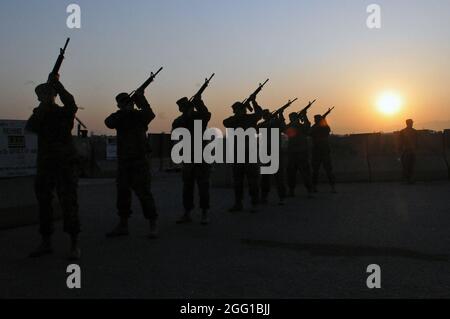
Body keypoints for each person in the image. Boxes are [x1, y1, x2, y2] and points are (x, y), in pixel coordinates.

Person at [26, 73, 81, 260]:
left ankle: (74, 243)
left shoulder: (62, 112)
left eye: (47, 95)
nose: (44, 98)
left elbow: (71, 104)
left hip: (65, 164)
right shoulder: (39, 114)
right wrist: (43, 106)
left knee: (69, 203)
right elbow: (31, 127)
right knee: (44, 203)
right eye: (42, 96)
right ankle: (46, 240)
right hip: (46, 165)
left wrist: (58, 85)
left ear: (53, 95)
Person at [104, 88, 158, 239]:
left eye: (129, 102)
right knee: (122, 194)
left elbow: (150, 113)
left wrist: (141, 98)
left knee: (144, 194)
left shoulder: (139, 116)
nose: (128, 105)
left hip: (140, 160)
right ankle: (123, 224)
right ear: (120, 105)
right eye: (124, 103)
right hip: (124, 162)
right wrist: (124, 112)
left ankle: (153, 225)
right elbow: (108, 122)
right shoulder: (119, 116)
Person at [172, 92, 212, 225]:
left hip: (201, 157)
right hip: (188, 157)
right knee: (187, 187)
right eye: (182, 108)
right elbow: (175, 130)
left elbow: (207, 114)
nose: (183, 110)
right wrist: (186, 117)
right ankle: (187, 213)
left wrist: (198, 102)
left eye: (184, 107)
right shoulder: (180, 121)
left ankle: (204, 213)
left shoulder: (199, 117)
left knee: (203, 187)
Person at [223, 97, 263, 213]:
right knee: (238, 181)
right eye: (235, 111)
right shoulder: (234, 119)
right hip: (238, 154)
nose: (235, 112)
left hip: (249, 154)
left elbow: (259, 114)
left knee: (253, 181)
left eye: (236, 110)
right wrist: (238, 116)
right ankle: (238, 203)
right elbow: (225, 122)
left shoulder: (250, 118)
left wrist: (254, 102)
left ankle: (254, 204)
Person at [257, 109, 286, 205]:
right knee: (266, 177)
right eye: (265, 115)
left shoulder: (275, 122)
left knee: (279, 177)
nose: (266, 116)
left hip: (275, 151)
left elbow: (283, 128)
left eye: (267, 115)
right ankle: (264, 197)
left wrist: (280, 116)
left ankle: (281, 197)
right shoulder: (264, 124)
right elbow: (257, 129)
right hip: (266, 152)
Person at [284, 111, 314, 197]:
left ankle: (309, 191)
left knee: (305, 174)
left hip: (302, 153)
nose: (291, 120)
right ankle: (291, 190)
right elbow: (285, 130)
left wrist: (304, 116)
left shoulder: (302, 127)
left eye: (292, 118)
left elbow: (308, 125)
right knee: (291, 174)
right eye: (290, 118)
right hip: (292, 154)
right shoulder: (290, 127)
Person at [310, 114, 336, 193]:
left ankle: (332, 187)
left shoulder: (324, 128)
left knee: (328, 170)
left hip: (323, 151)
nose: (315, 121)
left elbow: (327, 131)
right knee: (316, 171)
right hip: (318, 151)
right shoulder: (316, 127)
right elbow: (310, 132)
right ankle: (315, 187)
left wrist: (323, 121)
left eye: (316, 120)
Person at [399, 119, 418, 184]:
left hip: (407, 151)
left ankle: (408, 179)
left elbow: (400, 142)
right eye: (411, 123)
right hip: (410, 151)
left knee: (407, 166)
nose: (412, 124)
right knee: (410, 166)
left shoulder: (402, 131)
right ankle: (409, 179)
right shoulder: (414, 131)